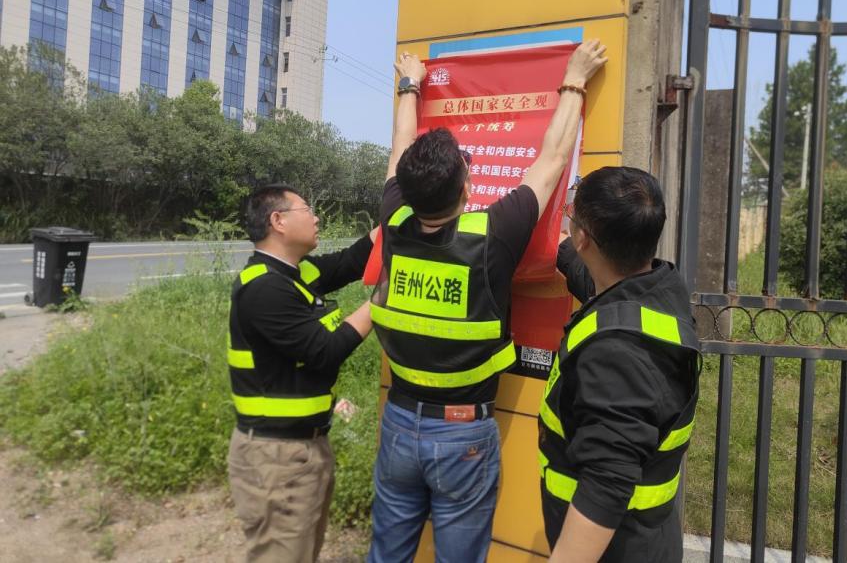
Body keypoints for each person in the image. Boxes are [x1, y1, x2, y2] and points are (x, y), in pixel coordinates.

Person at [366, 40, 607, 563]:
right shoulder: (492, 235)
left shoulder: (395, 219)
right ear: (466, 189)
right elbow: (552, 160)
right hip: (462, 434)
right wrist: (574, 80)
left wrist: (410, 84)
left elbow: (400, 145)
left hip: (399, 423)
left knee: (386, 554)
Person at [539, 167, 702, 562]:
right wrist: (562, 246)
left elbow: (607, 484)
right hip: (647, 537)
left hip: (617, 550)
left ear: (583, 237)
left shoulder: (617, 355)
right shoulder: (661, 288)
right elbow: (599, 284)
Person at [227, 184, 374, 562]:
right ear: (278, 221)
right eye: (308, 210)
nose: (317, 217)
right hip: (275, 456)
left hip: (304, 448)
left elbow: (351, 261)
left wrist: (399, 217)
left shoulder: (295, 273)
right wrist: (383, 299)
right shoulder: (264, 287)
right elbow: (323, 352)